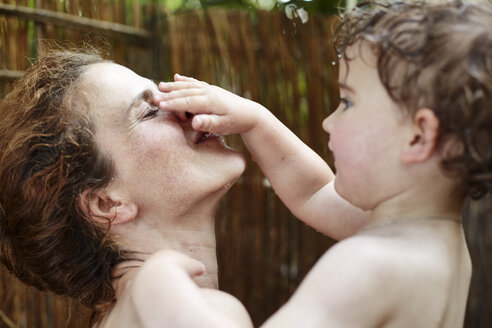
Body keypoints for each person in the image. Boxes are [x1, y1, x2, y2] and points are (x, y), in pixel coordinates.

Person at [153, 0, 492, 327]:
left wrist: (159, 284)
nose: (328, 121)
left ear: (418, 136)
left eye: (347, 102)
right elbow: (313, 192)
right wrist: (255, 121)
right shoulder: (437, 244)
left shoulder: (367, 266)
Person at [0, 47, 367, 326]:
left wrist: (257, 122)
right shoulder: (164, 295)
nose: (184, 108)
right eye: (148, 110)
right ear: (107, 202)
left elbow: (326, 198)